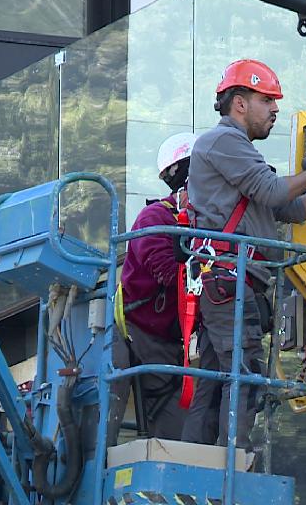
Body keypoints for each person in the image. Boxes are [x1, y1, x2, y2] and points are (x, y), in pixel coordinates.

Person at [180, 59, 306, 449]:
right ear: (239, 104)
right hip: (229, 279)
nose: (275, 109)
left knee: (217, 379)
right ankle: (232, 468)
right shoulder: (223, 142)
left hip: (231, 282)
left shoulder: (240, 154)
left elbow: (294, 210)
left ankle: (202, 462)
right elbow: (276, 192)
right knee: (243, 377)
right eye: (267, 100)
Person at [107, 132, 197, 444]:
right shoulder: (155, 218)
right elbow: (171, 276)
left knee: (178, 432)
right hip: (134, 332)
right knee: (110, 406)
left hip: (168, 343)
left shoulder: (199, 225)